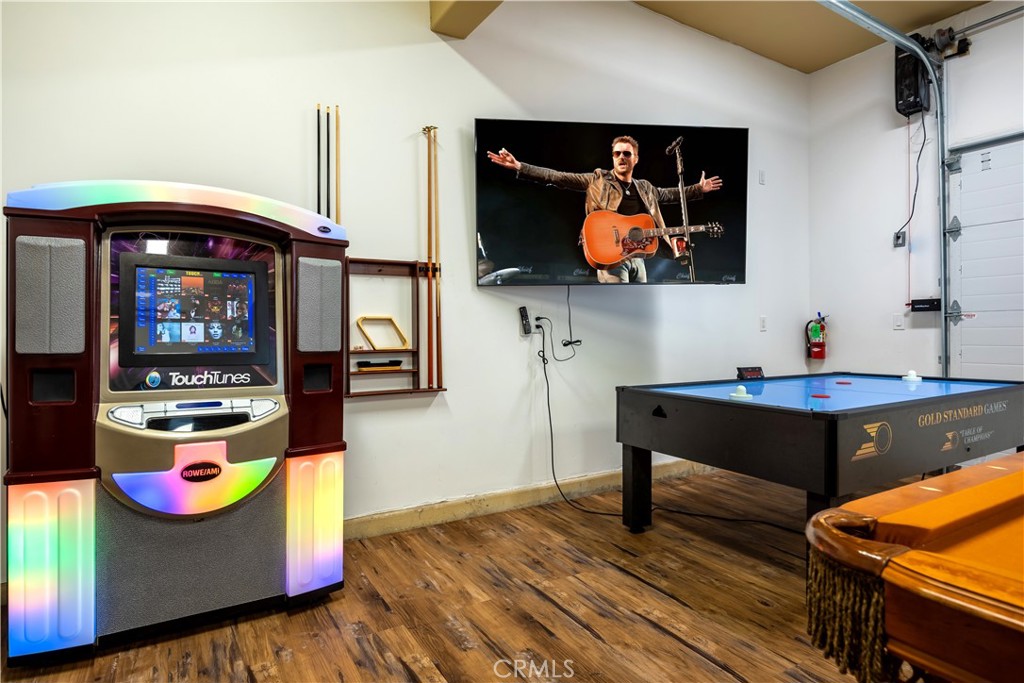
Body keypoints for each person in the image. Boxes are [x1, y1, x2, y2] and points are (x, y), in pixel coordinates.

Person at [487, 136, 722, 283]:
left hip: (638, 258)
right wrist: (520, 166)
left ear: (636, 159)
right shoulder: (597, 180)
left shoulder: (646, 188)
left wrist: (698, 189)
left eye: (626, 154)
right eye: (617, 153)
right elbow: (557, 177)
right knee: (617, 305)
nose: (621, 157)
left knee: (636, 311)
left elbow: (672, 194)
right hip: (610, 256)